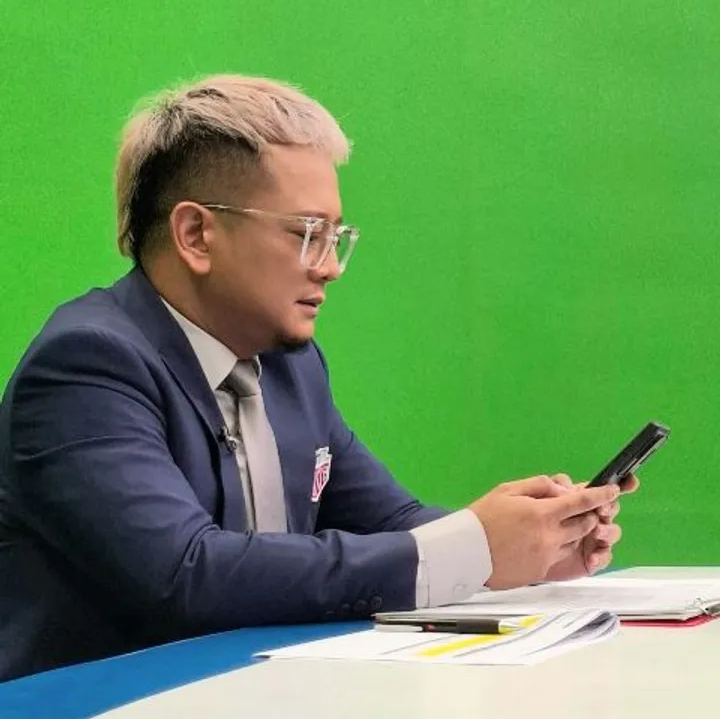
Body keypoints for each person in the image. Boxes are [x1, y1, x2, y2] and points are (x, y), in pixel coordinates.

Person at [0, 74, 632, 681]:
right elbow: (187, 573)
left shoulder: (290, 364)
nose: (330, 267)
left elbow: (390, 520)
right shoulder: (86, 366)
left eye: (336, 236)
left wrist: (526, 548)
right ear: (196, 235)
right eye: (307, 233)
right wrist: (473, 548)